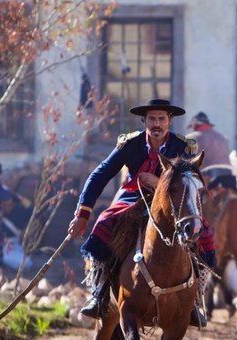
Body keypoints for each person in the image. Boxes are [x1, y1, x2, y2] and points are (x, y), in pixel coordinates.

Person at [68, 98, 213, 326]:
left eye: (162, 119)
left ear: (170, 121)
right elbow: (100, 175)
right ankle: (101, 293)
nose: (157, 124)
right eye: (152, 119)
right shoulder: (130, 144)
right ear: (145, 121)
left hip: (172, 202)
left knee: (204, 233)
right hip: (134, 197)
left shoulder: (183, 147)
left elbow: (188, 180)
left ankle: (195, 299)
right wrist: (83, 214)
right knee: (104, 223)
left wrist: (157, 182)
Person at [186, 111, 237, 193]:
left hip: (209, 176)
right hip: (229, 175)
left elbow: (189, 160)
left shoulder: (192, 137)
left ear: (195, 125)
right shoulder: (223, 137)